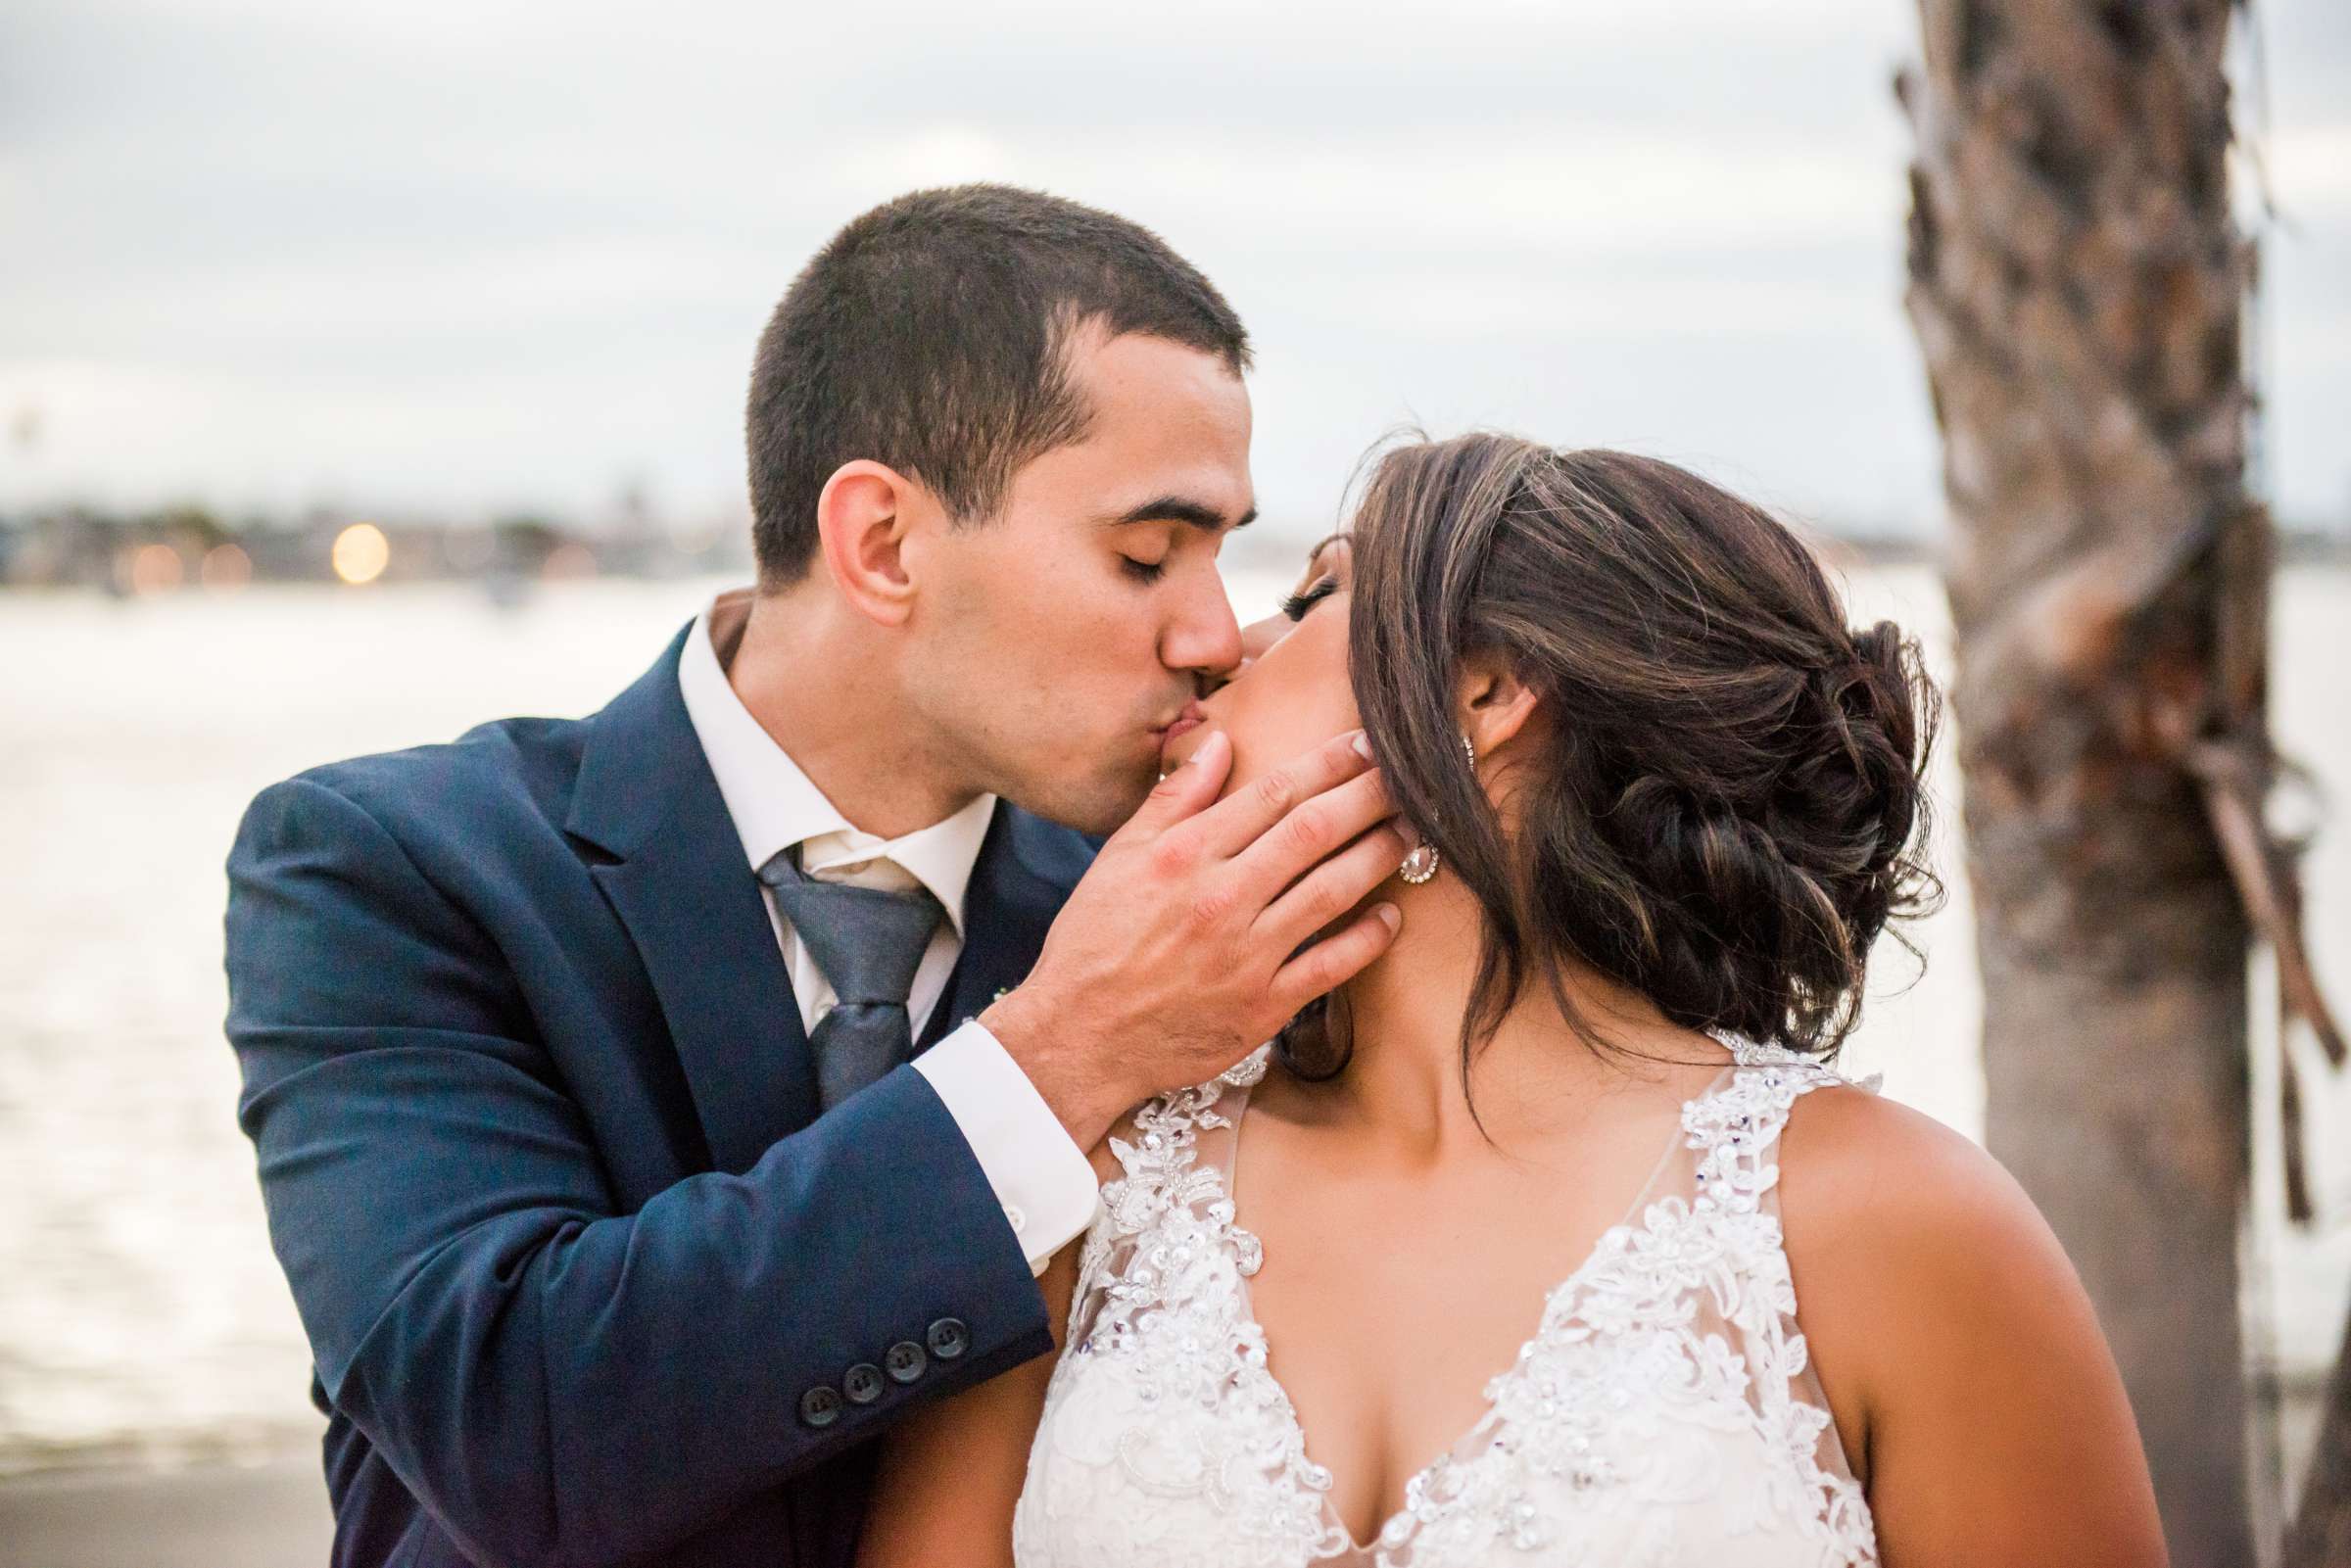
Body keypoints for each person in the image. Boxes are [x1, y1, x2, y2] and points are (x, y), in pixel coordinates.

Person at [221, 185, 1411, 1568]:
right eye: (1148, 553)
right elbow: (517, 1426)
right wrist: (1063, 1054)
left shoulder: (1191, 909)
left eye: (1223, 552)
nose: (1215, 631)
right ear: (884, 544)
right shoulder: (388, 865)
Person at [857, 436, 2171, 1567]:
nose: (1229, 644)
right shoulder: (1085, 1188)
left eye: (1316, 599)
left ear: (1481, 691)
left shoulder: (1893, 1226)